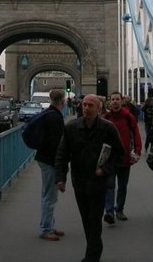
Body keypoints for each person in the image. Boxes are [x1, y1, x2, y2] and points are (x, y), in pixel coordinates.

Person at [55, 94, 124, 262]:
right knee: (86, 218)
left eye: (90, 105)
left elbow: (119, 155)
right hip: (79, 180)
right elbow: (62, 154)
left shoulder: (108, 128)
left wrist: (105, 170)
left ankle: (92, 256)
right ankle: (94, 248)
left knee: (94, 218)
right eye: (84, 105)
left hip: (99, 181)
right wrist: (60, 178)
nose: (86, 108)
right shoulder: (71, 127)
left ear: (99, 108)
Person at [102, 91, 142, 223]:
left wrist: (137, 151)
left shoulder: (128, 117)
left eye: (117, 99)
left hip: (125, 157)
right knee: (109, 185)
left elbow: (136, 134)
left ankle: (119, 209)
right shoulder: (106, 117)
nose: (115, 101)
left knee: (123, 186)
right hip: (110, 158)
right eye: (112, 99)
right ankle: (109, 212)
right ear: (110, 101)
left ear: (121, 101)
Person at [35, 88, 66, 241]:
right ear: (63, 101)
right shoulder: (54, 117)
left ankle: (49, 226)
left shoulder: (48, 113)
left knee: (46, 194)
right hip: (50, 160)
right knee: (50, 197)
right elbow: (57, 144)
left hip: (44, 158)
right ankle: (46, 229)